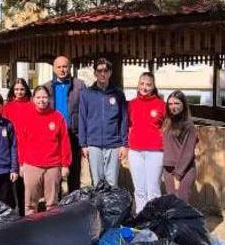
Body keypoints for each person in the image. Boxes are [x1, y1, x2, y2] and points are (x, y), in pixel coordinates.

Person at [18, 85, 71, 214]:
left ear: (49, 98)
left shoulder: (57, 117)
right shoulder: (26, 117)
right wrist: (21, 164)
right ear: (33, 99)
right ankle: (30, 228)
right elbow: (20, 143)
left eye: (45, 97)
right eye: (38, 97)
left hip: (53, 165)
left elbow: (64, 142)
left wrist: (65, 165)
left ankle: (51, 229)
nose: (42, 100)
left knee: (52, 203)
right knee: (30, 203)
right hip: (31, 165)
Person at [78, 57, 128, 187]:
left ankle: (111, 208)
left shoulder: (118, 94)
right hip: (93, 144)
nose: (102, 73)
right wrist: (83, 144)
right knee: (97, 182)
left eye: (106, 70)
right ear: (95, 73)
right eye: (99, 70)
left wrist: (124, 144)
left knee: (112, 183)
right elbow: (82, 118)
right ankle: (99, 207)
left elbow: (123, 119)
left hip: (113, 144)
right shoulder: (86, 94)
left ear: (110, 72)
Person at [40, 56, 86, 193]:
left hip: (74, 135)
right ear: (54, 69)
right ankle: (57, 207)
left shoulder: (80, 86)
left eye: (65, 66)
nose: (62, 69)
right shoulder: (47, 87)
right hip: (54, 137)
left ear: (70, 67)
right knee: (55, 173)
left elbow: (85, 112)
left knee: (74, 172)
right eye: (59, 67)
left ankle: (74, 204)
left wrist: (84, 140)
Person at [127, 72, 166, 214]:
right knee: (139, 190)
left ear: (153, 86)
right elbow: (127, 125)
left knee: (153, 189)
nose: (144, 87)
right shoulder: (131, 105)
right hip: (135, 151)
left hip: (155, 152)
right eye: (142, 84)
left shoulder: (161, 105)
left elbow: (167, 127)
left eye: (148, 84)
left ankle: (154, 221)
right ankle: (141, 219)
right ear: (138, 85)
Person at [162, 90, 198, 202]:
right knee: (172, 204)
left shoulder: (189, 126)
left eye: (177, 103)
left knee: (181, 203)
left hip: (184, 170)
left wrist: (177, 176)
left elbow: (187, 153)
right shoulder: (167, 123)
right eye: (170, 104)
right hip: (168, 169)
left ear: (183, 105)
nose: (173, 107)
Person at [3, 78, 33, 214]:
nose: (19, 92)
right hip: (13, 146)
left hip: (29, 147)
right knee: (15, 180)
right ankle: (17, 209)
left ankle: (28, 207)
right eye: (16, 89)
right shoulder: (7, 107)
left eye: (22, 89)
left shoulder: (32, 105)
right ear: (12, 91)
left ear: (26, 89)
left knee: (28, 181)